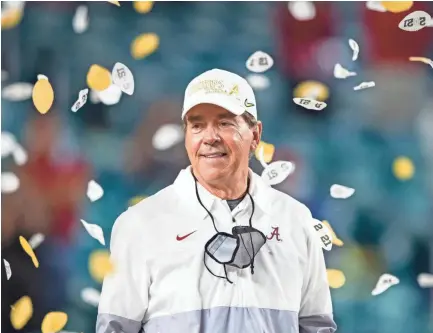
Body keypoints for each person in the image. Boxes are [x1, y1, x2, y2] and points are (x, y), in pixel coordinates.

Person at [96, 68, 337, 333]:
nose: (210, 137)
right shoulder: (139, 224)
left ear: (255, 135)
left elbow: (316, 326)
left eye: (225, 123)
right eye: (197, 125)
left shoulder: (296, 220)